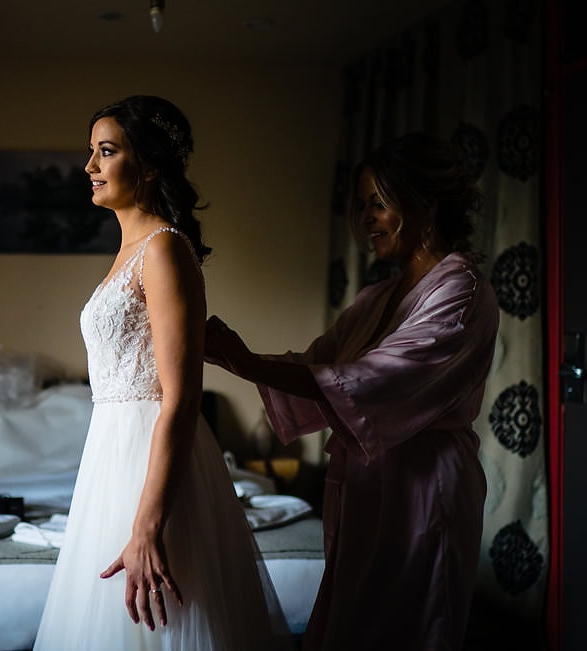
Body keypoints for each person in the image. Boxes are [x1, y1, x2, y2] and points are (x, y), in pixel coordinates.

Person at [205, 132, 499, 650]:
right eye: (361, 205)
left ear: (424, 202)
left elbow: (375, 379)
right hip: (363, 483)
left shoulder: (462, 291)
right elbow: (319, 366)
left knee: (413, 621)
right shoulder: (377, 297)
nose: (365, 218)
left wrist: (247, 362)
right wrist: (239, 360)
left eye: (378, 204)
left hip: (423, 486)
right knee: (352, 622)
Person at [34, 95, 285, 651]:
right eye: (91, 153)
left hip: (153, 458)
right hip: (109, 456)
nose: (90, 167)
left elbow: (182, 397)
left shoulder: (164, 249)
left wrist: (147, 523)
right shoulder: (128, 254)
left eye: (106, 152)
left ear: (148, 166)